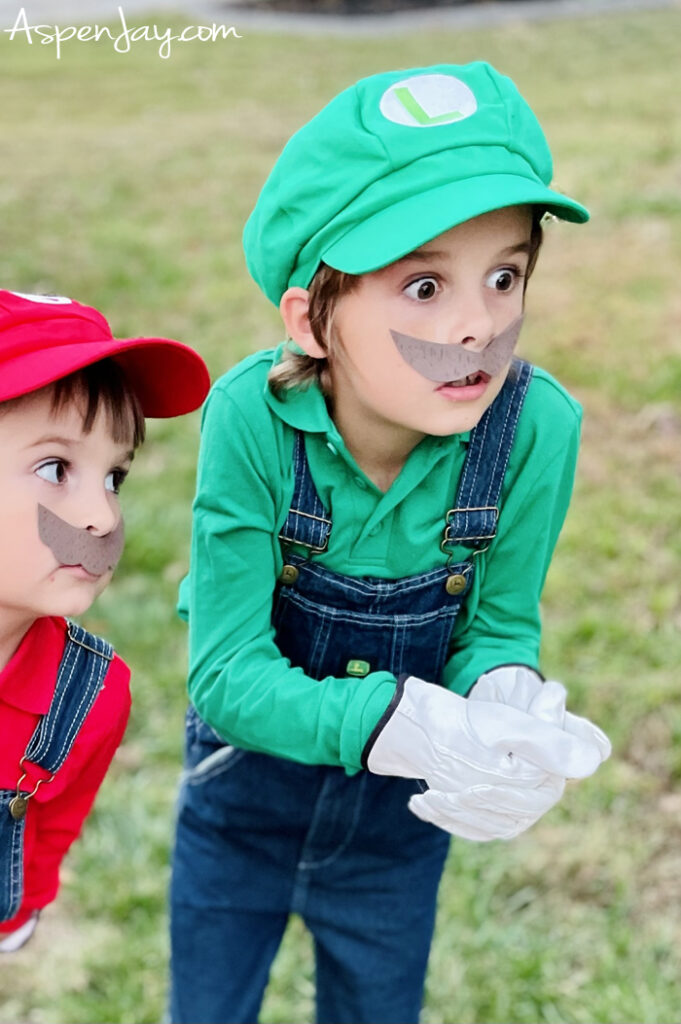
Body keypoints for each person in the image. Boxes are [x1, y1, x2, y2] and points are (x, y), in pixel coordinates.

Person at [169, 62, 611, 1024]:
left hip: (399, 830)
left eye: (504, 275)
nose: (477, 324)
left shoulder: (537, 430)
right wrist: (399, 722)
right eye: (421, 284)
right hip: (238, 806)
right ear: (311, 319)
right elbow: (226, 670)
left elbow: (498, 622)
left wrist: (501, 697)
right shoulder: (253, 417)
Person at [0, 289, 209, 953]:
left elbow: (50, 828)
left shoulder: (87, 697)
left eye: (114, 476)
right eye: (56, 468)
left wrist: (21, 911)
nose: (103, 516)